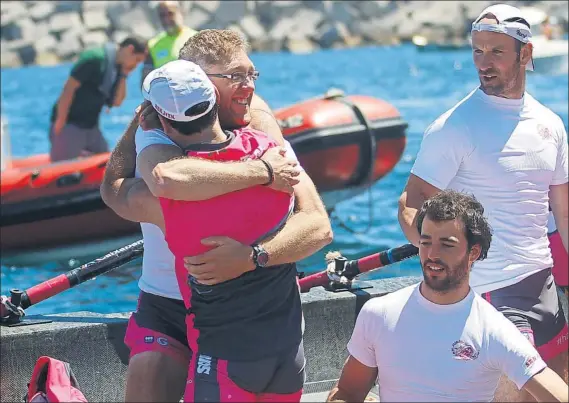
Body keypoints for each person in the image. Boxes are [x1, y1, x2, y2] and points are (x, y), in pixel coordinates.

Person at [100, 29, 332, 402]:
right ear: (195, 83)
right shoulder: (157, 130)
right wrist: (262, 172)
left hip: (247, 315)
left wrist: (253, 257)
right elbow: (161, 180)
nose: (247, 87)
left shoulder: (260, 122)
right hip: (167, 305)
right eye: (234, 76)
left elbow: (317, 223)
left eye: (251, 74)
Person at [397, 4, 568, 401]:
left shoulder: (550, 125)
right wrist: (446, 268)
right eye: (478, 51)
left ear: (525, 54)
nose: (484, 63)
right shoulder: (455, 126)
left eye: (496, 52)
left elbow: (564, 211)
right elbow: (411, 205)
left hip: (541, 285)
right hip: (490, 291)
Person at [130, 58, 305, 402]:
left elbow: (117, 192)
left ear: (161, 119)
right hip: (288, 353)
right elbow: (317, 225)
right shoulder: (271, 154)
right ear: (215, 98)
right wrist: (264, 171)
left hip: (226, 356)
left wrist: (143, 132)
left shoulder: (172, 198)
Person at [329, 190, 569, 403]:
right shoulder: (378, 314)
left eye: (447, 244)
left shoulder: (494, 330)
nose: (432, 254)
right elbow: (347, 393)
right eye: (425, 242)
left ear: (473, 252)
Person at [49, 36, 147, 162]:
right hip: (70, 124)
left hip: (91, 126)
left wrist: (124, 75)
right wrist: (60, 121)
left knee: (109, 165)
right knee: (62, 169)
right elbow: (69, 89)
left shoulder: (118, 68)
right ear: (129, 49)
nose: (136, 65)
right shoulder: (95, 59)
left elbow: (117, 102)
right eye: (137, 60)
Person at [141, 0, 197, 86]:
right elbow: (146, 81)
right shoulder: (152, 45)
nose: (166, 19)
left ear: (181, 12)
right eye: (162, 15)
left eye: (170, 13)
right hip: (165, 97)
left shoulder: (196, 38)